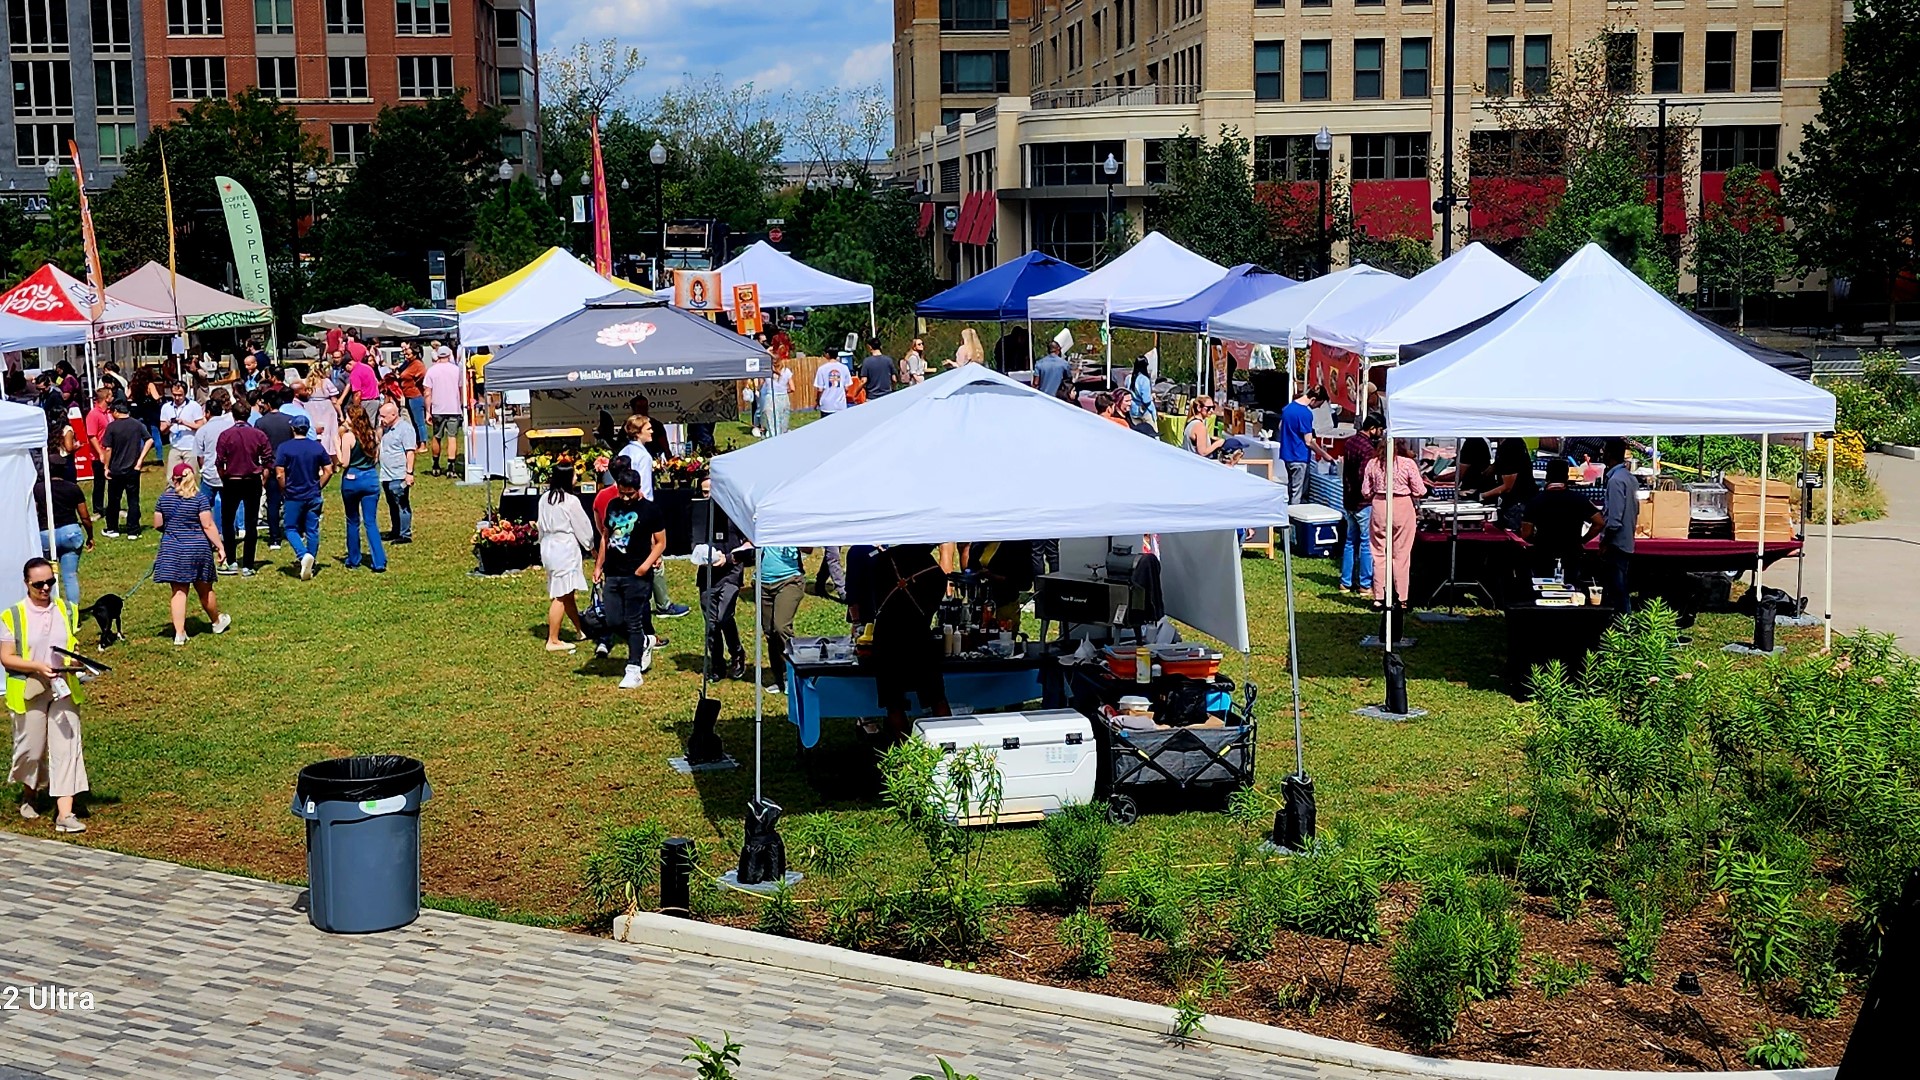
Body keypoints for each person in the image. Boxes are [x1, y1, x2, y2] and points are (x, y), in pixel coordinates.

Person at [3, 558, 90, 833]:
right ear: (27, 583)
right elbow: (6, 658)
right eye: (38, 584)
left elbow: (71, 647)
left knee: (67, 746)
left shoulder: (66, 610)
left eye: (50, 583)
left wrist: (78, 665)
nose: (45, 588)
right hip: (30, 688)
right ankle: (31, 793)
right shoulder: (12, 615)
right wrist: (37, 667)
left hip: (63, 687)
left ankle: (65, 813)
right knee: (32, 747)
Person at [851, 544, 949, 738]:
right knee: (936, 697)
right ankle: (948, 749)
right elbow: (933, 606)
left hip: (888, 637)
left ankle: (902, 753)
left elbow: (871, 595)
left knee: (894, 703)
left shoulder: (882, 560)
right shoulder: (934, 572)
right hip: (920, 635)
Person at [593, 467, 666, 689]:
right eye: (622, 492)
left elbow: (661, 542)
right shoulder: (613, 506)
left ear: (638, 489)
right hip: (613, 572)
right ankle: (643, 642)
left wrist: (644, 567)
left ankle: (633, 669)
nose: (625, 498)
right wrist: (599, 566)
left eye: (630, 493)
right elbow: (606, 536)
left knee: (634, 620)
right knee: (614, 620)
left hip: (637, 574)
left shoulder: (650, 510)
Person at [153, 462, 231, 646]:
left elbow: (157, 524)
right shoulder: (199, 498)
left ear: (174, 479)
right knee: (205, 590)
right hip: (197, 549)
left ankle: (179, 633)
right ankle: (216, 621)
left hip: (173, 549)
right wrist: (220, 547)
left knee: (179, 591)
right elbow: (208, 525)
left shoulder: (164, 499)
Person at [1361, 438, 1428, 612]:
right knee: (1401, 555)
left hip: (1380, 507)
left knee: (1379, 554)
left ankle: (1379, 597)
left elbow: (1365, 491)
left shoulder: (1373, 464)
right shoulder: (1407, 463)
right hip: (1402, 506)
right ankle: (1402, 598)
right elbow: (1420, 490)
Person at [537, 463, 595, 652]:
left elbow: (540, 525)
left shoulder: (544, 498)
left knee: (567, 592)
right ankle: (553, 639)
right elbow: (583, 527)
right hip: (564, 549)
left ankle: (580, 630)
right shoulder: (571, 501)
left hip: (548, 547)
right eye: (574, 475)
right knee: (561, 595)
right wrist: (591, 547)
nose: (577, 478)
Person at [696, 480, 750, 680]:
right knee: (711, 624)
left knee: (723, 616)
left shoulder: (736, 513)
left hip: (731, 572)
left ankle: (737, 653)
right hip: (707, 575)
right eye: (703, 493)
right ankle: (717, 664)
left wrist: (729, 558)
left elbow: (751, 543)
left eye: (711, 492)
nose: (707, 497)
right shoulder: (700, 515)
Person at [214, 396, 272, 575]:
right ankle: (248, 564)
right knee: (251, 522)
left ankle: (231, 559)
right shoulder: (258, 434)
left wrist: (224, 476)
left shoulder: (226, 435)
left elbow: (219, 461)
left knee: (227, 521)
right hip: (252, 480)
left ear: (233, 415)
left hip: (232, 480)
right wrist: (263, 476)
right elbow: (268, 458)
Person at [1522, 458, 1606, 580]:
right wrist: (1582, 540)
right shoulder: (1579, 499)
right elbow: (1599, 522)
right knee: (1571, 589)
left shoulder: (1535, 501)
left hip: (1543, 553)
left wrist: (1537, 541)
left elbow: (1526, 533)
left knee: (1543, 589)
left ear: (1547, 476)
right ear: (1566, 477)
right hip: (1572, 552)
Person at [276, 413, 333, 580]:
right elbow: (329, 470)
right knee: (312, 529)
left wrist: (284, 489)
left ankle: (302, 555)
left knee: (290, 528)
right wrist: (319, 485)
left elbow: (280, 473)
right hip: (313, 494)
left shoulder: (285, 448)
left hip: (294, 494)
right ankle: (311, 561)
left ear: (293, 428)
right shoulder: (317, 447)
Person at [337, 403, 387, 573]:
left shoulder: (348, 437)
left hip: (352, 479)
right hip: (370, 478)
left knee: (352, 520)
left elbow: (344, 462)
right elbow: (375, 458)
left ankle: (354, 558)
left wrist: (337, 445)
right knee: (371, 521)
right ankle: (379, 560)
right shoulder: (373, 435)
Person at [33, 472, 92, 606]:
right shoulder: (73, 487)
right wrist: (90, 536)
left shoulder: (38, 489)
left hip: (46, 534)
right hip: (70, 533)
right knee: (70, 576)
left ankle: (49, 610)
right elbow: (85, 516)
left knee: (46, 577)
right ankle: (73, 616)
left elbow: (33, 514)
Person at [1341, 412, 1383, 595]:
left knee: (1350, 541)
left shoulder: (1350, 442)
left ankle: (1345, 582)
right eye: (1379, 429)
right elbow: (1363, 476)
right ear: (1372, 428)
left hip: (1348, 499)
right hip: (1362, 502)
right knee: (1366, 542)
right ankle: (1365, 584)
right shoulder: (1367, 449)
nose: (1381, 433)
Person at [756, 542, 805, 694]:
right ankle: (780, 678)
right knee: (770, 632)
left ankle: (794, 675)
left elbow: (809, 548)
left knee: (781, 627)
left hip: (789, 580)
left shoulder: (792, 524)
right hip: (763, 582)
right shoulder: (762, 522)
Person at [99, 399, 152, 539]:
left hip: (115, 470)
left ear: (116, 412)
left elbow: (108, 449)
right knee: (133, 500)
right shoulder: (137, 424)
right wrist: (140, 460)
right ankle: (133, 530)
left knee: (113, 500)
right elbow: (149, 440)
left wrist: (106, 466)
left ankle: (112, 528)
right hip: (133, 469)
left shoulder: (112, 427)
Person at [252, 390, 297, 551]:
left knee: (272, 503)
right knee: (292, 499)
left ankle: (274, 537)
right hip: (290, 465)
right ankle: (295, 529)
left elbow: (258, 446)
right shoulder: (289, 421)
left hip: (270, 465)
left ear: (268, 404)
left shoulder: (261, 423)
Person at [1599, 437, 1638, 614]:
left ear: (1610, 455)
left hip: (1616, 542)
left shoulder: (1615, 481)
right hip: (1626, 539)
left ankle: (1622, 623)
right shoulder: (1629, 478)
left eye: (1604, 451)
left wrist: (1605, 542)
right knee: (1619, 586)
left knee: (1617, 587)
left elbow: (1614, 519)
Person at [194, 389, 235, 551]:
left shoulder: (203, 430)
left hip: (210, 473)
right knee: (227, 505)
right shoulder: (230, 427)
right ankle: (225, 533)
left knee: (204, 506)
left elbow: (200, 455)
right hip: (228, 473)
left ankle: (207, 535)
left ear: (208, 413)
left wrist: (203, 467)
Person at [1279, 385, 1328, 506]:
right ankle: (1294, 520)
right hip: (1299, 456)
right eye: (1319, 404)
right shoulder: (1305, 414)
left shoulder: (1288, 408)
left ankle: (1290, 513)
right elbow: (1309, 441)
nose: (1318, 407)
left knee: (1292, 488)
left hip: (1287, 454)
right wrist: (1324, 454)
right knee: (1298, 493)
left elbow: (1280, 427)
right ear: (1314, 400)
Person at [376, 400, 417, 544]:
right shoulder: (386, 428)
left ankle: (405, 534)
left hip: (399, 474)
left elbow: (410, 452)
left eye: (383, 416)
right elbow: (377, 440)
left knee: (401, 503)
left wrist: (409, 473)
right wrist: (381, 428)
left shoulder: (405, 429)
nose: (381, 419)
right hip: (386, 474)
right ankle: (395, 530)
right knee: (391, 503)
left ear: (393, 414)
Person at [422, 346, 465, 475]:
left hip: (438, 408)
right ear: (450, 355)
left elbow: (427, 392)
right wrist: (462, 405)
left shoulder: (431, 371)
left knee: (437, 436)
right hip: (454, 407)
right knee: (452, 437)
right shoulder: (457, 370)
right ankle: (451, 466)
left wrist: (428, 411)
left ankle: (435, 464)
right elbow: (462, 389)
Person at [1484, 437, 1540, 530]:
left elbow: (1507, 486)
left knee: (1514, 533)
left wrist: (1481, 495)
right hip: (1517, 500)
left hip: (1518, 502)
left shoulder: (1510, 447)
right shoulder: (1508, 443)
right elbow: (1497, 465)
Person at [159, 381, 205, 472]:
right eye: (174, 395)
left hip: (190, 447)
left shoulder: (194, 406)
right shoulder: (166, 407)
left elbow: (201, 426)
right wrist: (169, 424)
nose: (177, 398)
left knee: (190, 477)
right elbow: (162, 429)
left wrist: (184, 423)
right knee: (172, 478)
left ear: (185, 394)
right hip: (175, 447)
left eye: (180, 395)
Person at [83, 386, 113, 517]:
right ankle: (98, 509)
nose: (112, 398)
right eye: (111, 396)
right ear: (106, 398)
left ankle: (113, 506)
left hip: (111, 451)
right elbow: (91, 435)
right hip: (98, 454)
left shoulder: (110, 413)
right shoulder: (93, 414)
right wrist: (100, 452)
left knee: (113, 480)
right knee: (99, 482)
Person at [392, 342, 429, 445]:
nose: (405, 353)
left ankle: (423, 443)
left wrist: (415, 383)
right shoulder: (407, 363)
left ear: (414, 352)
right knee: (413, 421)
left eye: (407, 350)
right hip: (408, 395)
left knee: (419, 421)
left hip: (416, 396)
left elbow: (423, 376)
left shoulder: (418, 364)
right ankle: (417, 441)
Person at [131, 370, 165, 465]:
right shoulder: (150, 385)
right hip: (150, 413)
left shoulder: (133, 385)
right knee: (156, 435)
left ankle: (140, 458)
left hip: (139, 412)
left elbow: (126, 396)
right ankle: (159, 458)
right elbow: (156, 397)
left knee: (142, 436)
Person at [757, 353, 793, 437]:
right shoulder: (786, 371)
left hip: (771, 398)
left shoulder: (767, 371)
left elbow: (761, 384)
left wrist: (757, 389)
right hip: (784, 398)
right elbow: (792, 388)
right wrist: (783, 390)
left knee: (771, 423)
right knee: (783, 422)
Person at [814, 350, 852, 415]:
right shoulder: (844, 368)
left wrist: (817, 401)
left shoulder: (822, 369)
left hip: (826, 405)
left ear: (827, 354)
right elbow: (847, 388)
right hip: (840, 405)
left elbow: (820, 389)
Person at [1126, 357, 1157, 433]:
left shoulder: (1129, 378)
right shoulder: (1144, 379)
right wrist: (1152, 397)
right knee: (1152, 434)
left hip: (1133, 410)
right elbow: (1146, 400)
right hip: (1145, 411)